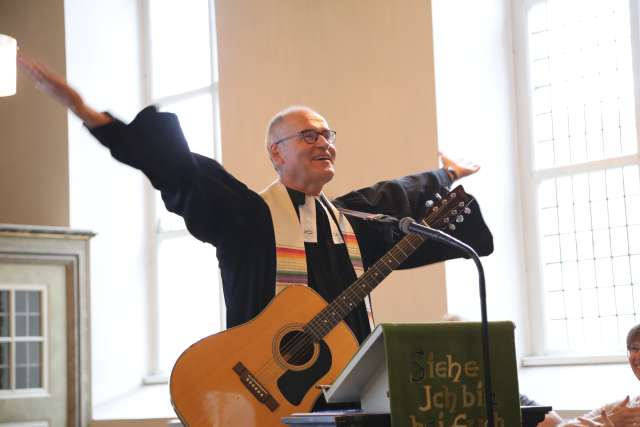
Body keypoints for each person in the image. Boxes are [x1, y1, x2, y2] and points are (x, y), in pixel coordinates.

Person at [18, 56, 493, 346]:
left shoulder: (350, 222)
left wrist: (446, 175)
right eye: (309, 135)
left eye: (328, 134)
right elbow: (177, 167)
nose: (324, 142)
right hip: (265, 395)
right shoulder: (245, 218)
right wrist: (87, 111)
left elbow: (400, 197)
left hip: (348, 399)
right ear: (276, 152)